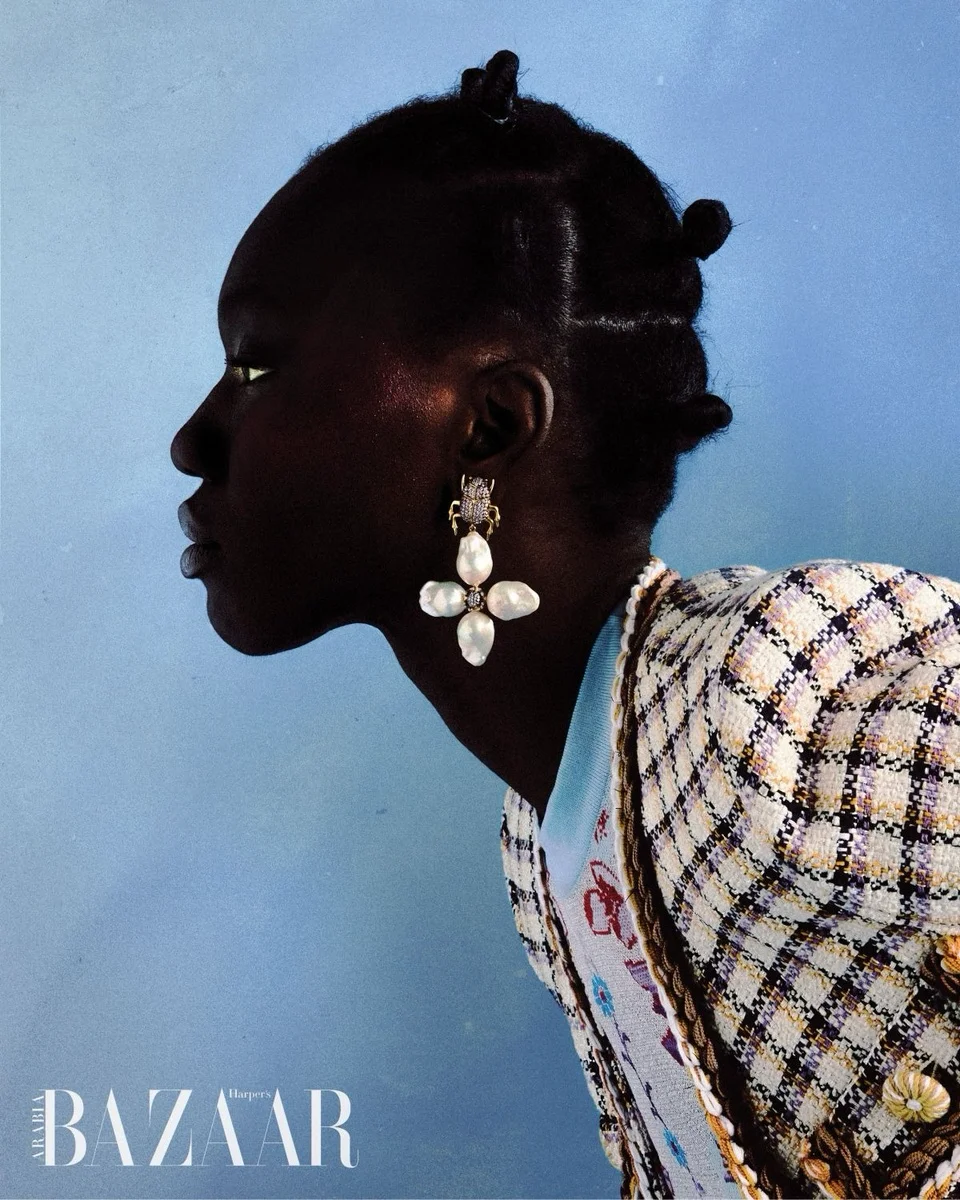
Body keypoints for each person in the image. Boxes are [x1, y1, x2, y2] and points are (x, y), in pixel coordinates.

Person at [170, 50, 960, 1200]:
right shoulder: (545, 863)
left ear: (489, 427)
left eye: (255, 366)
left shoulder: (784, 687)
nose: (193, 440)